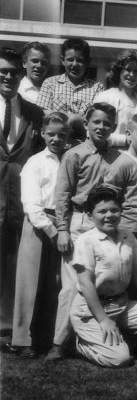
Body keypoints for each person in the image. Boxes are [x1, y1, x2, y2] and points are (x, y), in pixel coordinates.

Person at [50, 102, 119, 361]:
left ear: (113, 127)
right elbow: (62, 195)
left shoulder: (116, 156)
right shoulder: (75, 154)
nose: (102, 127)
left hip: (105, 224)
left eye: (107, 123)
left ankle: (90, 338)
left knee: (98, 283)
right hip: (78, 223)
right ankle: (58, 343)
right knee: (72, 286)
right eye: (97, 122)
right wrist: (62, 230)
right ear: (87, 125)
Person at [69, 186, 137, 367]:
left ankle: (117, 338)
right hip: (91, 310)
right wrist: (103, 319)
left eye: (114, 210)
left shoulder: (128, 235)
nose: (109, 215)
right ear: (90, 215)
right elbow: (85, 284)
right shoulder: (86, 240)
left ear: (121, 211)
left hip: (122, 305)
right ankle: (80, 344)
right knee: (120, 359)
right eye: (102, 211)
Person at [12, 112, 69, 357]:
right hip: (37, 223)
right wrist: (52, 231)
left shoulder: (70, 158)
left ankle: (48, 337)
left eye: (61, 135)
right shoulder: (35, 162)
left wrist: (63, 228)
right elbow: (32, 204)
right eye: (52, 134)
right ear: (42, 134)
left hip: (63, 220)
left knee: (56, 282)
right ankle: (23, 340)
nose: (56, 139)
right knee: (30, 281)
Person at [0, 47, 44, 350]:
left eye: (14, 72)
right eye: (3, 71)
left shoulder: (33, 112)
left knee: (11, 266)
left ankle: (5, 328)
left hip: (17, 201)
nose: (8, 76)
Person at [104, 114, 137, 272]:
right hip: (129, 228)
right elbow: (109, 196)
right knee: (127, 272)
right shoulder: (122, 163)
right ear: (128, 134)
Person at [37, 38, 103, 138]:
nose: (75, 64)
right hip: (55, 142)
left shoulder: (97, 88)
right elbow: (43, 115)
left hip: (82, 143)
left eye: (80, 60)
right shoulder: (50, 83)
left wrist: (58, 115)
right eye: (70, 59)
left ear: (88, 62)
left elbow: (94, 121)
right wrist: (76, 118)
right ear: (62, 60)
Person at [94, 49, 137, 146]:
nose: (131, 75)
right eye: (128, 70)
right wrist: (125, 140)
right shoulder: (105, 97)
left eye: (136, 71)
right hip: (109, 153)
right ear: (119, 71)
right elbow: (95, 131)